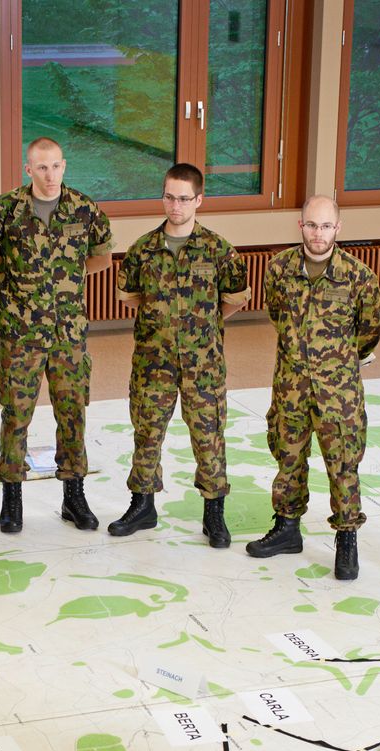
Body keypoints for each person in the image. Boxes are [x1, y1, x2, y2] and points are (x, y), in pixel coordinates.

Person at [0, 136, 113, 534]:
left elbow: (102, 255)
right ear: (28, 169)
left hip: (68, 333)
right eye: (41, 168)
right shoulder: (8, 207)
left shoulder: (83, 208)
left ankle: (74, 495)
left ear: (64, 166)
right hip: (21, 333)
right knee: (16, 415)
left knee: (73, 415)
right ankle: (12, 497)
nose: (50, 175)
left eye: (56, 167)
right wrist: (9, 270)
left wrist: (69, 276)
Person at [109, 162, 250, 546]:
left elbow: (236, 298)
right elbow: (130, 298)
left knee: (209, 437)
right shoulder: (142, 250)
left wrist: (202, 325)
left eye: (184, 199)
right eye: (169, 197)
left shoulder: (220, 250)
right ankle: (142, 506)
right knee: (147, 433)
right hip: (153, 363)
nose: (175, 206)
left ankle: (214, 514)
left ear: (199, 200)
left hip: (203, 365)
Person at [247, 195, 380, 580]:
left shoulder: (359, 277)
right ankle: (287, 528)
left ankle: (346, 539)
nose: (318, 233)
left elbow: (370, 330)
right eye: (311, 225)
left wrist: (336, 361)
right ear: (301, 226)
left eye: (326, 226)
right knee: (288, 457)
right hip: (290, 384)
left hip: (338, 392)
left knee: (343, 465)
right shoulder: (279, 269)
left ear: (338, 228)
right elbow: (277, 314)